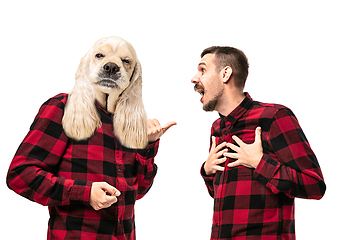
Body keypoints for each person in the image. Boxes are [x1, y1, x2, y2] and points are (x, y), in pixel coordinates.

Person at [191, 46, 326, 240]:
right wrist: (207, 171)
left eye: (202, 70)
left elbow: (315, 185)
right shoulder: (217, 128)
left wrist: (260, 163)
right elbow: (223, 196)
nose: (194, 78)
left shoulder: (274, 117)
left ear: (225, 73)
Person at [6, 93, 176, 240]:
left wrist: (148, 145)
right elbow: (20, 174)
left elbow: (137, 192)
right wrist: (85, 193)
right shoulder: (66, 107)